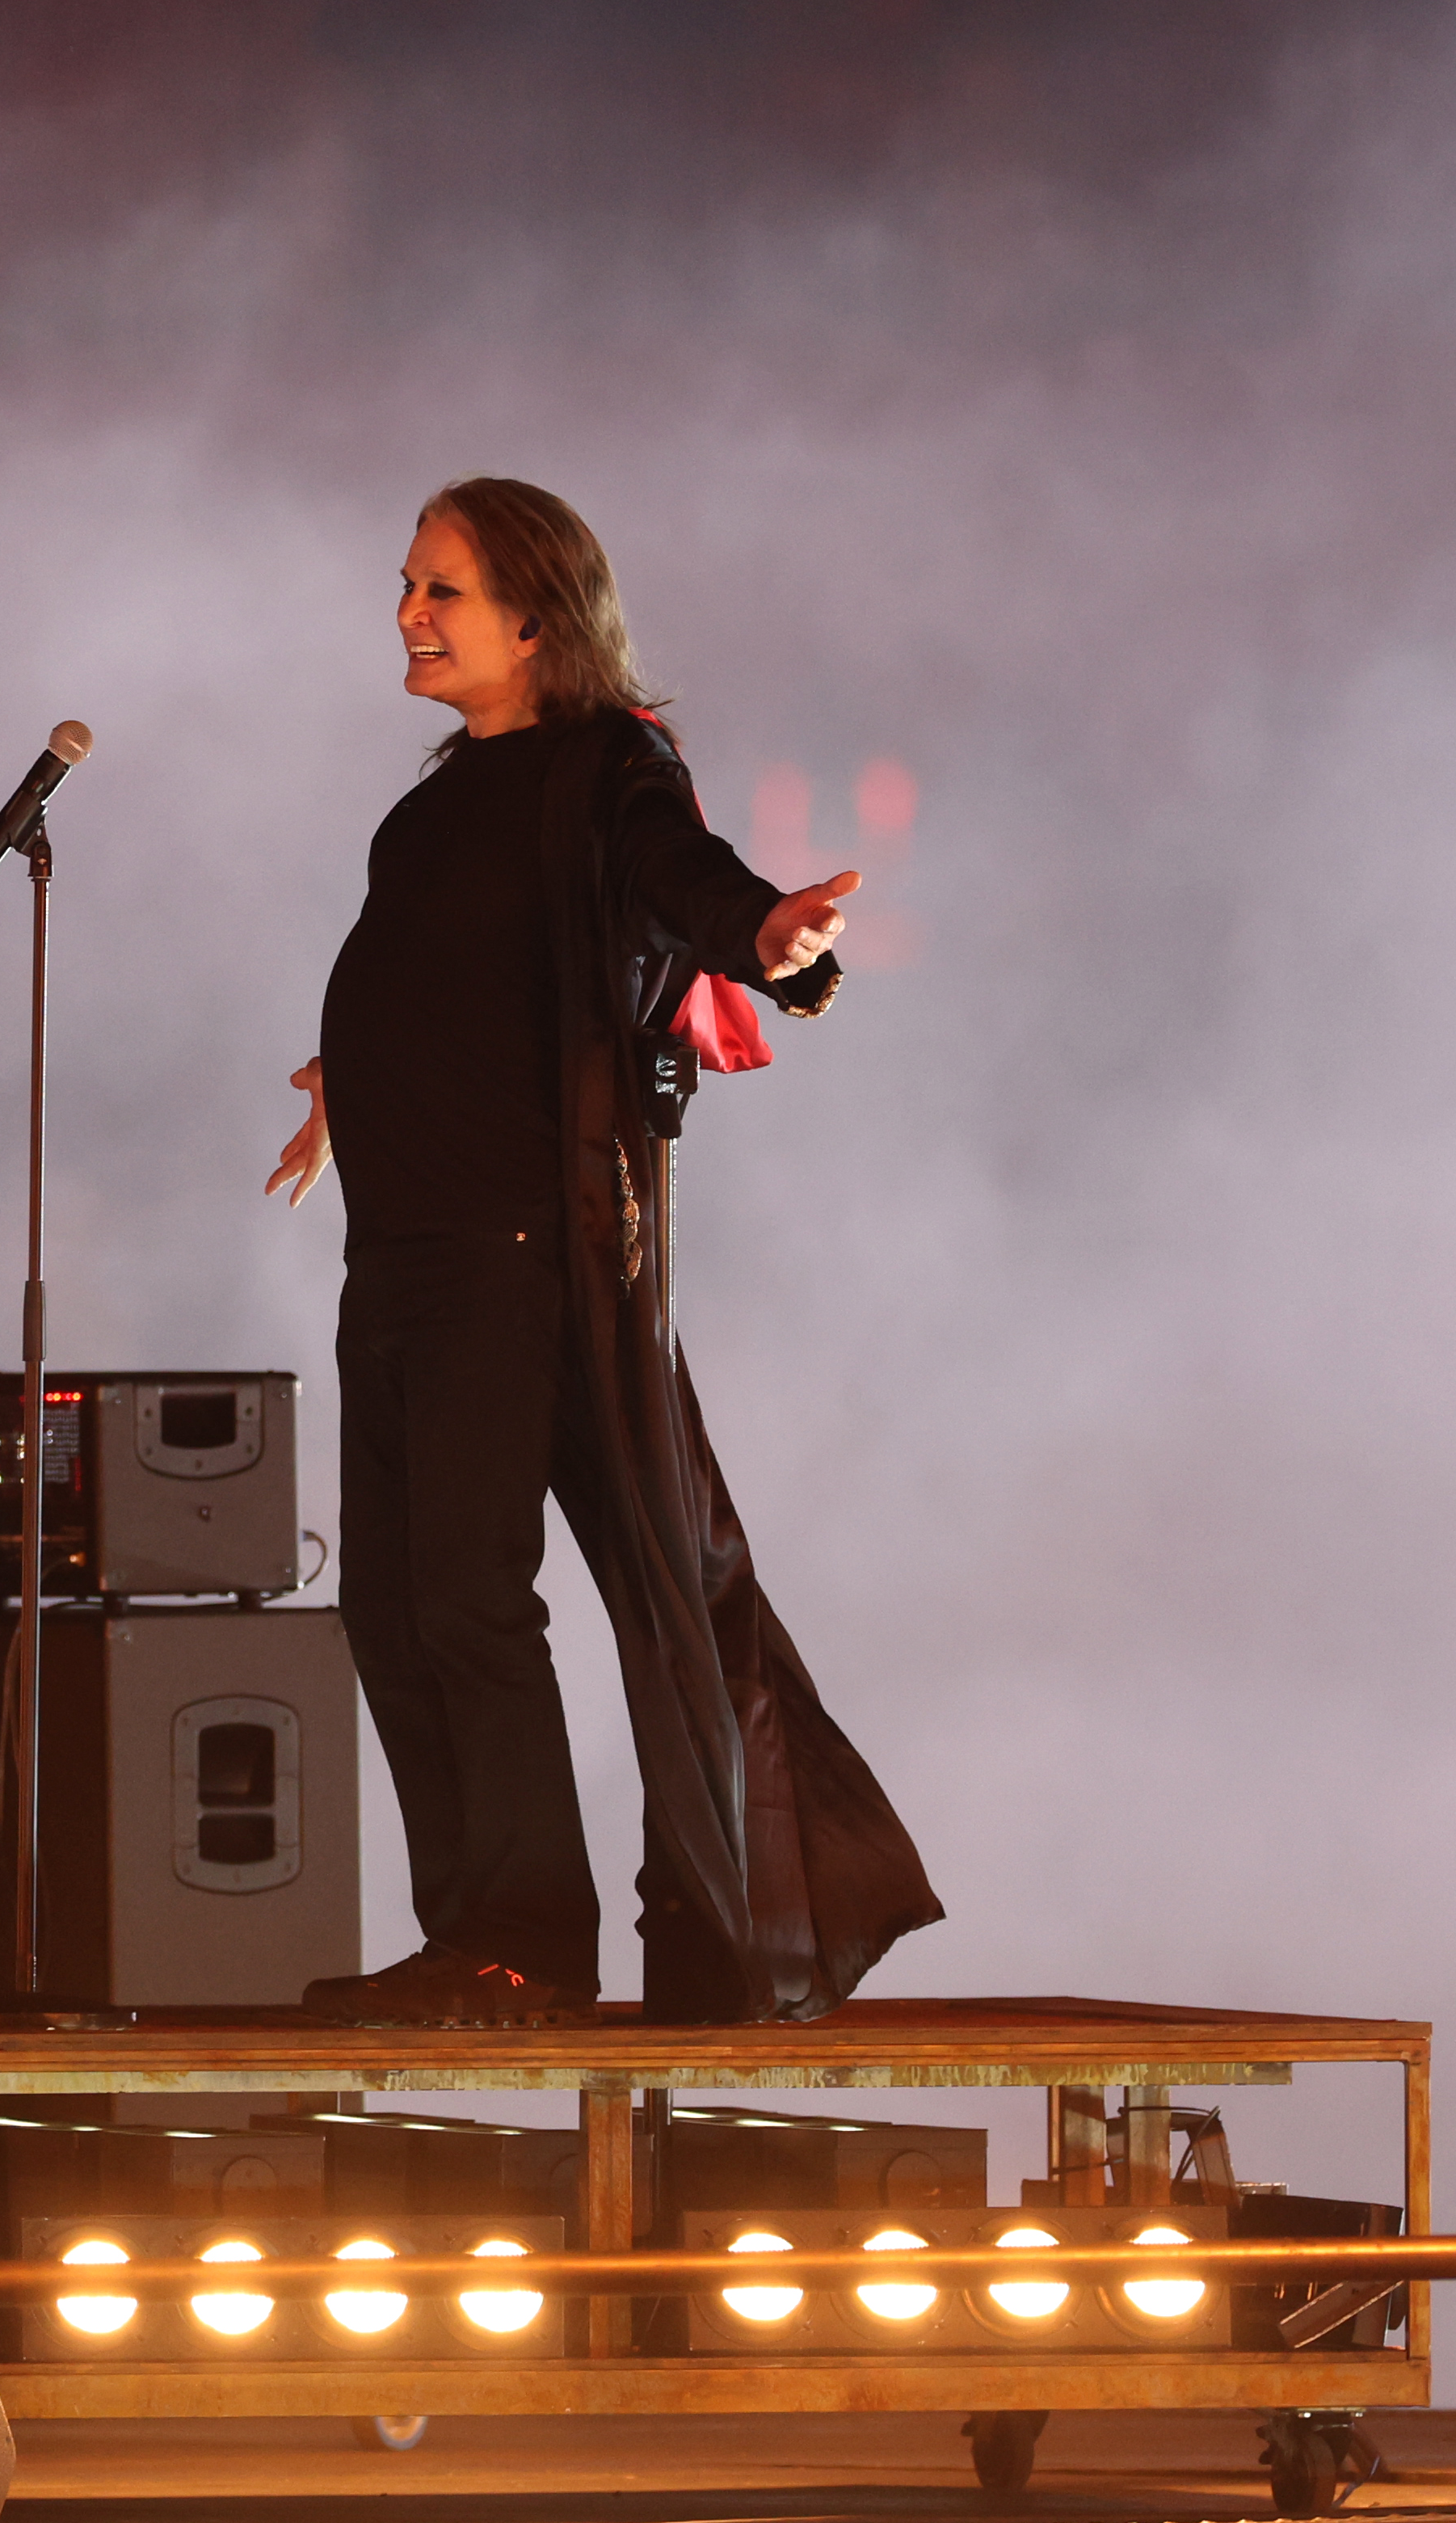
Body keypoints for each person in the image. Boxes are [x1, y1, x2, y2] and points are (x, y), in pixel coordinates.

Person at [266, 478, 940, 2027]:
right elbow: (447, 980)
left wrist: (764, 931)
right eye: (407, 585)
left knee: (467, 1597)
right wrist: (349, 1080)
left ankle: (522, 1950)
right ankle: (475, 1939)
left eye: (439, 590)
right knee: (390, 1603)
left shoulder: (606, 766)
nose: (405, 616)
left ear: (534, 619)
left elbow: (672, 879)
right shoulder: (437, 803)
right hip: (407, 1255)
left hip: (516, 1256)